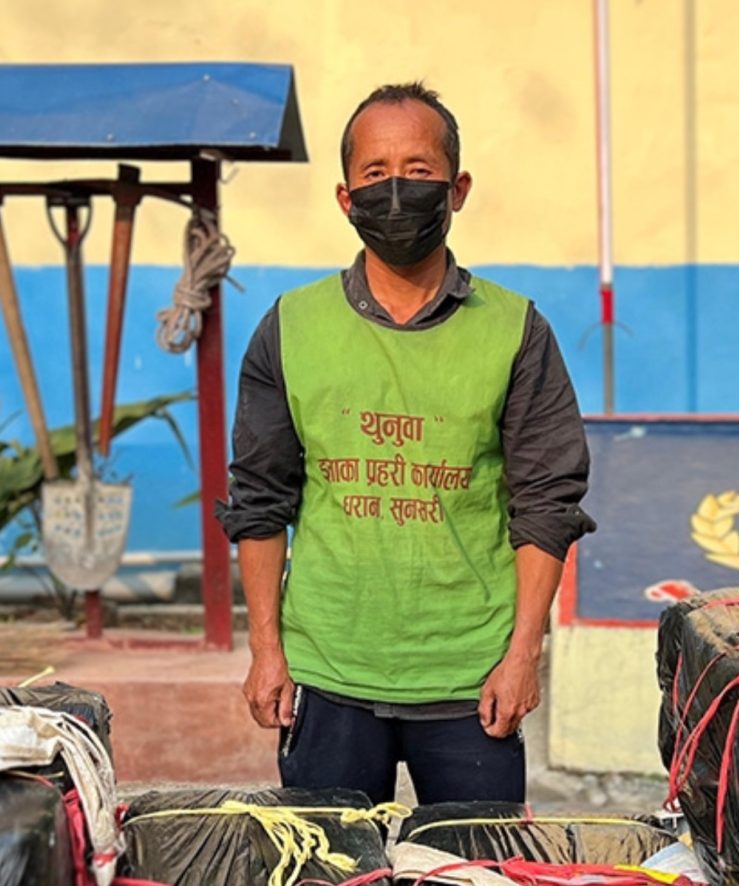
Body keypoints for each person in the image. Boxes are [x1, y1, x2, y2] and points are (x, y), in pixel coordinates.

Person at [219, 81, 594, 805]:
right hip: (328, 669)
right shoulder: (291, 328)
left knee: (473, 871)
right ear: (345, 197)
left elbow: (548, 503)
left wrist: (524, 655)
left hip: (470, 677)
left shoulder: (515, 330)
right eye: (375, 172)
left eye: (419, 171)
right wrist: (267, 650)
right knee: (332, 873)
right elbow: (259, 500)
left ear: (458, 189)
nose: (396, 191)